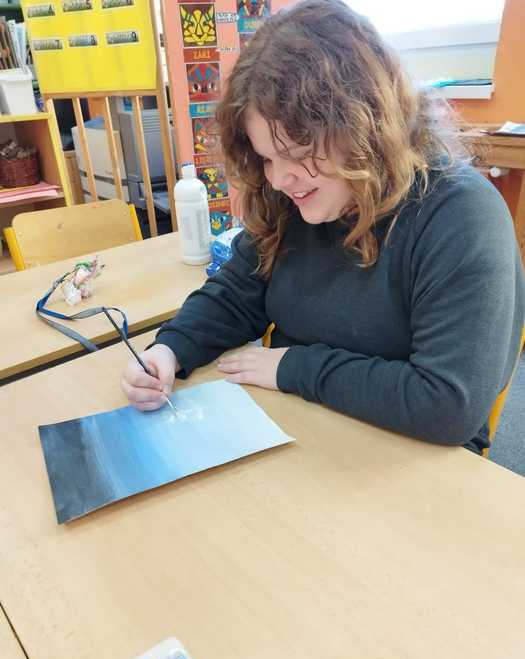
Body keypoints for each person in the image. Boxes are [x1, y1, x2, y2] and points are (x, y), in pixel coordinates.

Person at [122, 0, 525, 454]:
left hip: (414, 455)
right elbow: (236, 294)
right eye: (267, 158)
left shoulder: (460, 215)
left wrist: (294, 367)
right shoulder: (292, 200)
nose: (279, 179)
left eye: (296, 154)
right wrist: (170, 349)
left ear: (365, 126)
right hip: (303, 426)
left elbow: (447, 405)